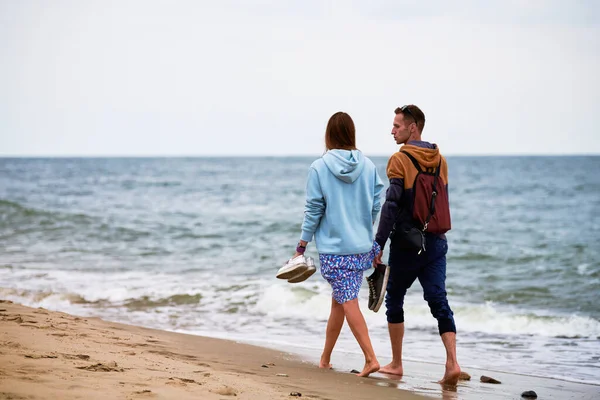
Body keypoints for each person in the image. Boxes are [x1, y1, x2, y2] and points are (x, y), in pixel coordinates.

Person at [373, 105, 461, 386]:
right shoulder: (440, 160)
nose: (392, 130)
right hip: (436, 242)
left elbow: (391, 204)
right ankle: (452, 363)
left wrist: (378, 244)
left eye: (397, 126)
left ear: (413, 127)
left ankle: (397, 364)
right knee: (438, 299)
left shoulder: (399, 160)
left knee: (394, 299)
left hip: (407, 244)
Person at [292, 111, 384, 377]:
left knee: (348, 302)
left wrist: (302, 244)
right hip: (361, 248)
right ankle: (325, 358)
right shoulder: (367, 165)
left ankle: (370, 358)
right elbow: (377, 202)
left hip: (336, 250)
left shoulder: (319, 167)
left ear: (329, 136)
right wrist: (367, 229)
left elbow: (314, 209)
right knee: (339, 301)